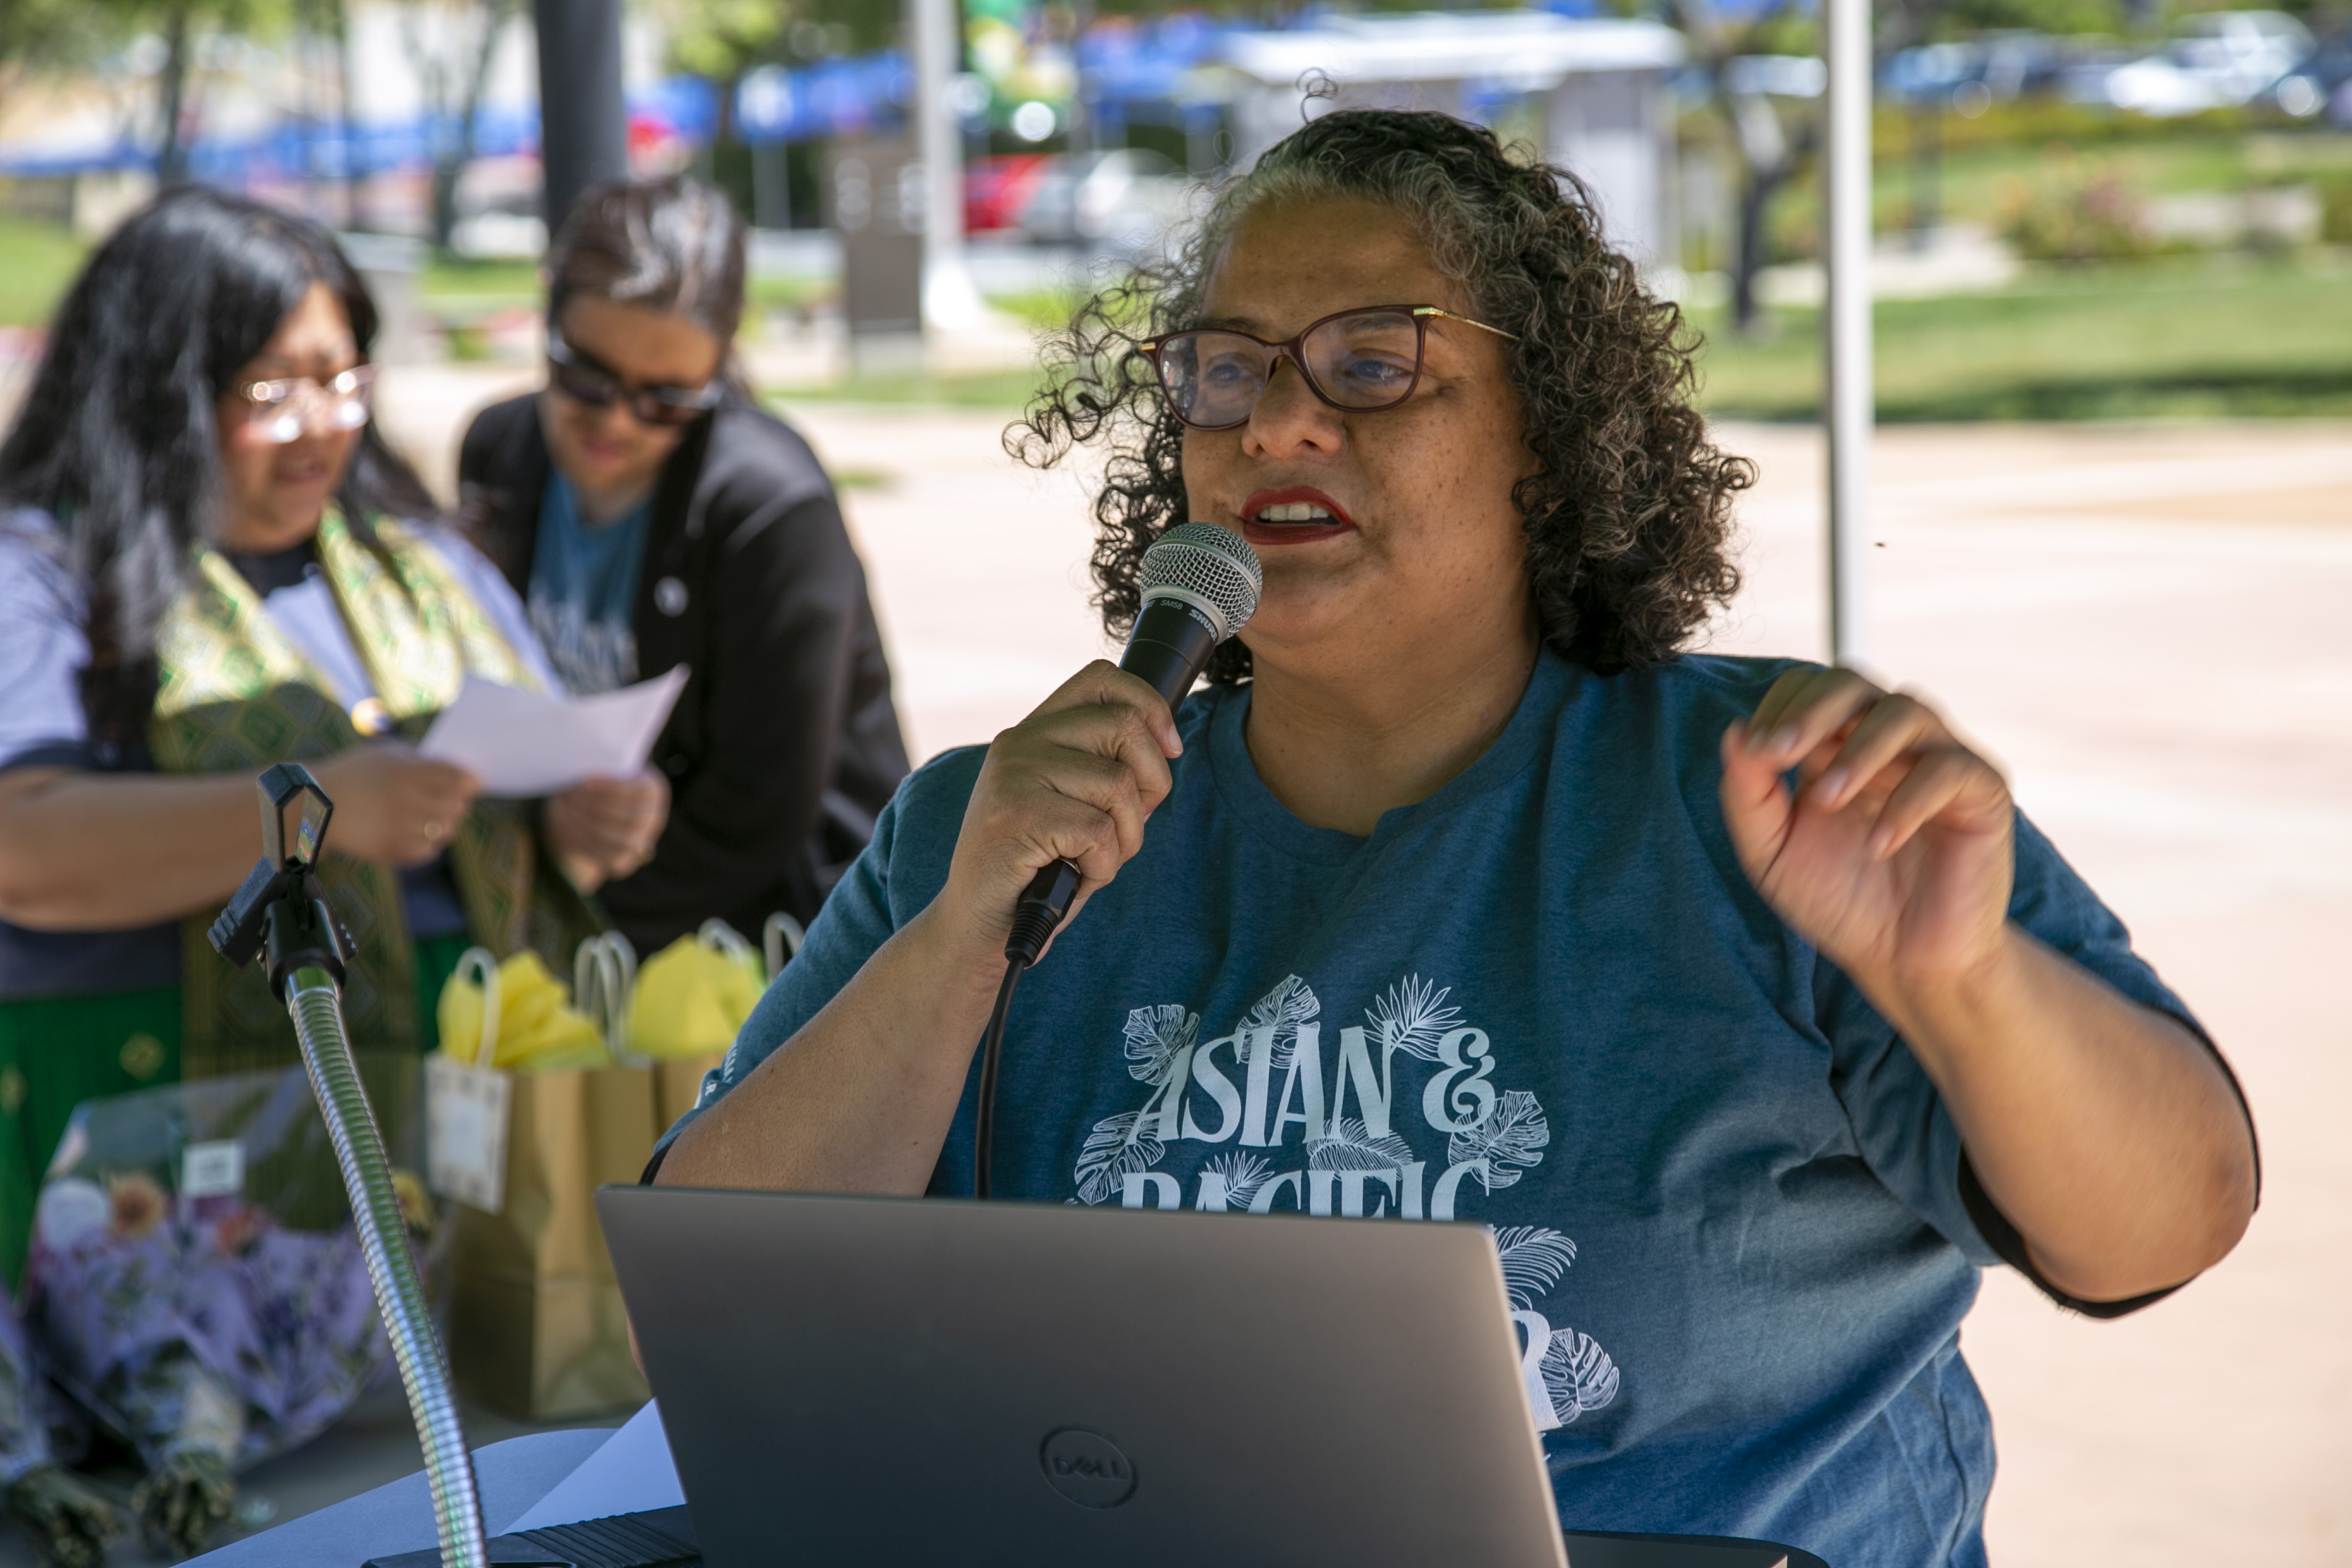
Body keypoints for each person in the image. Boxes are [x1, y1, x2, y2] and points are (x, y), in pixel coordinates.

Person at [647, 112, 2259, 1565]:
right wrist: (958, 943)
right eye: (1227, 369)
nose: (1280, 422)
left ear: (1545, 445)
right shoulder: (994, 826)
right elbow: (714, 1317)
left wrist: (1967, 984)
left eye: (1371, 361)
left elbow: (2166, 1223)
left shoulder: (1774, 795)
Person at [0, 187, 666, 1554]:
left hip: (447, 1178)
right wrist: (302, 813)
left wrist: (591, 819)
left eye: (346, 375)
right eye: (277, 388)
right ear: (159, 392)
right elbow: (27, 851)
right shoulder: (49, 575)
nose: (328, 421)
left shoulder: (417, 567)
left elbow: (535, 773)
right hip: (146, 1185)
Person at [458, 175, 908, 955]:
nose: (617, 423)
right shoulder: (499, 448)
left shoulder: (770, 508)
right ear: (546, 314)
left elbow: (758, 814)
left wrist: (547, 920)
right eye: (586, 377)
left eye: (667, 399)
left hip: (789, 945)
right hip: (592, 904)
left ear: (719, 370)